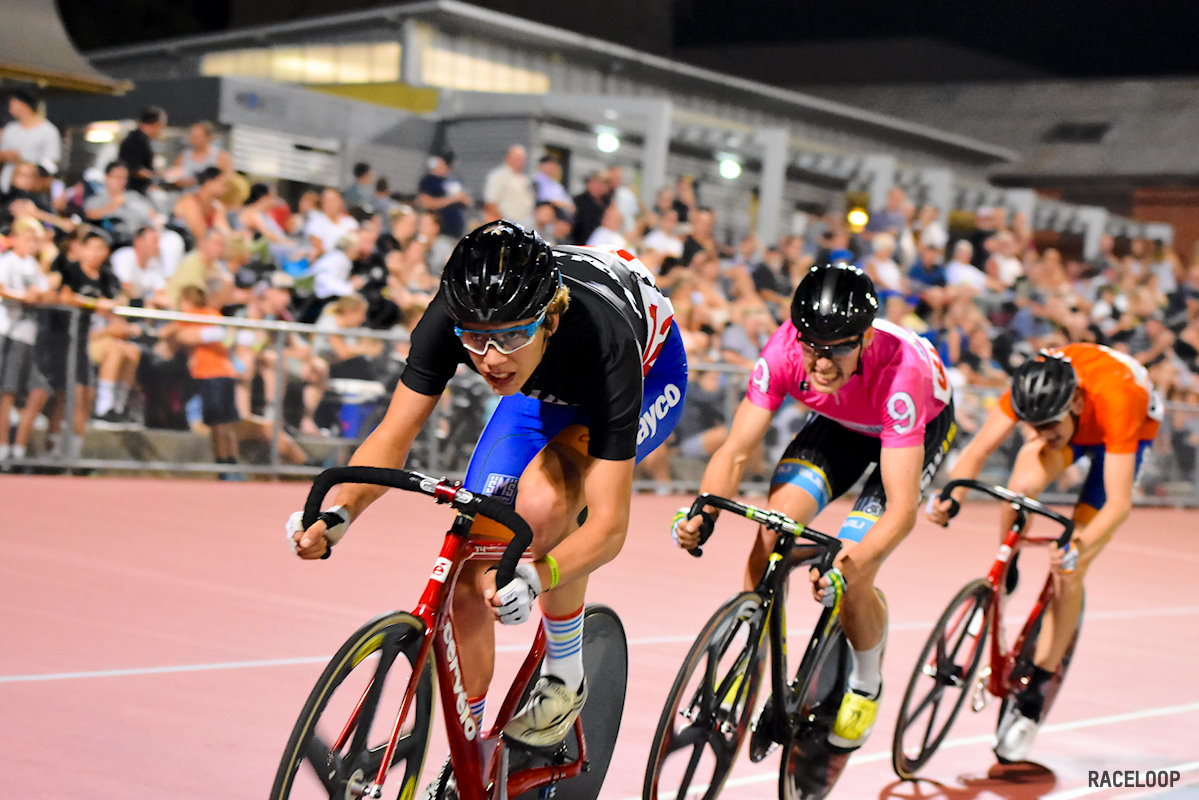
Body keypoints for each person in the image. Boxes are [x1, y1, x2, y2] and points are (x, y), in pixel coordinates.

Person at [287, 220, 687, 749]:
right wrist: (339, 513)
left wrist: (539, 576)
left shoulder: (604, 341)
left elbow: (610, 528)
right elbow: (395, 432)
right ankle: (468, 748)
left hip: (646, 370)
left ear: (551, 317)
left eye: (510, 336)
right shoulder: (457, 318)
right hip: (541, 379)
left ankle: (566, 677)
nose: (490, 359)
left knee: (548, 502)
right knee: (475, 561)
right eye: (474, 340)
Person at [673, 262, 956, 751]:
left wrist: (851, 568)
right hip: (838, 428)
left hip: (909, 432)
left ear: (865, 339)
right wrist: (705, 510)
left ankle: (866, 683)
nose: (821, 364)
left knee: (852, 570)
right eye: (812, 348)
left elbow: (903, 509)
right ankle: (748, 658)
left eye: (837, 350)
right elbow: (736, 449)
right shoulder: (783, 348)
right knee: (770, 532)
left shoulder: (901, 373)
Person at [926, 345, 1161, 762]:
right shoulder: (1032, 389)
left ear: (1074, 402)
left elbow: (1119, 504)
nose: (1037, 434)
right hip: (1077, 421)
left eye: (1047, 425)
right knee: (1023, 473)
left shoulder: (1117, 399)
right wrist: (951, 495)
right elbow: (976, 452)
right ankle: (1010, 561)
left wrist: (1077, 549)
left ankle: (1034, 698)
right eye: (1030, 425)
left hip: (1119, 435)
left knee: (1071, 568)